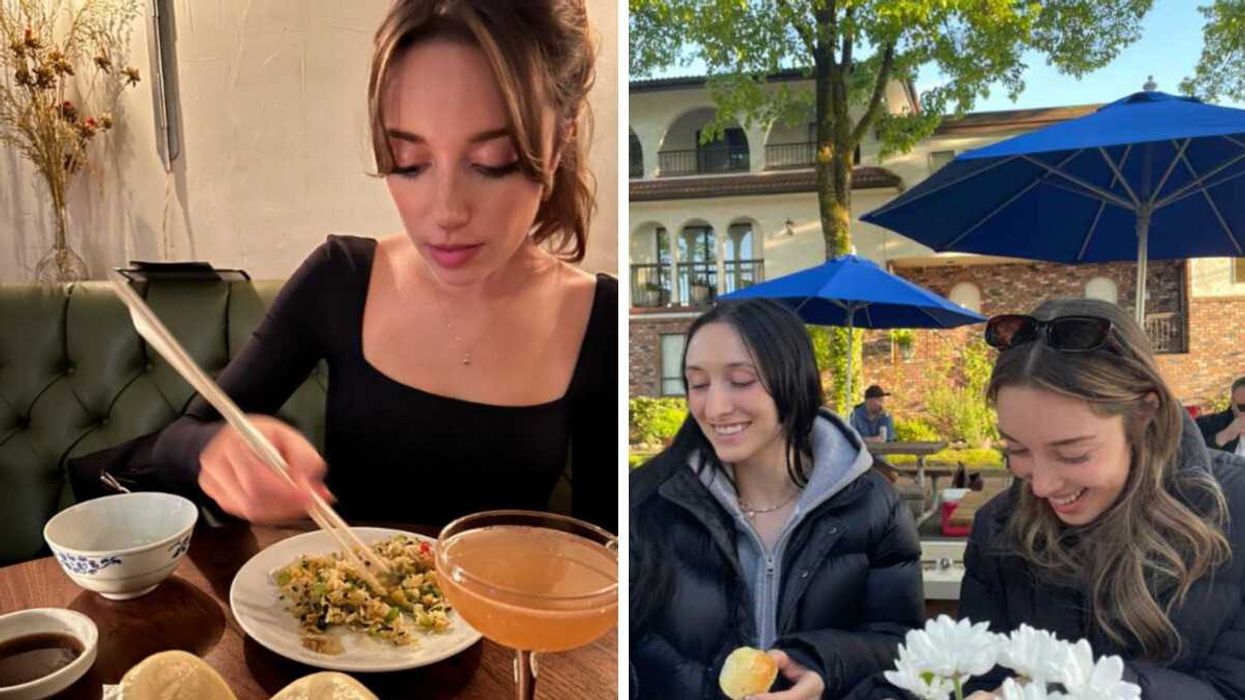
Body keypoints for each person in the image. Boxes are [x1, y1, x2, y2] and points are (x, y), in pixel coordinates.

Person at [147, 0, 616, 532]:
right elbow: (173, 441)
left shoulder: (598, 319)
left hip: (509, 613)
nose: (446, 213)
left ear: (562, 139)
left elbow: (605, 550)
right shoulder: (342, 277)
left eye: (492, 163)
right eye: (409, 163)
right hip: (346, 614)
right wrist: (217, 449)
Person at [630, 299, 923, 699]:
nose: (715, 407)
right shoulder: (646, 502)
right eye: (698, 384)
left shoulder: (874, 506)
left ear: (793, 380)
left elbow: (903, 646)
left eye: (742, 380)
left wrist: (823, 668)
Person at [952, 299, 1243, 697]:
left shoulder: (1237, 509)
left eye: (1072, 454)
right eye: (1016, 449)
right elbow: (978, 670)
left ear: (1144, 414)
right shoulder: (998, 527)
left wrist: (1087, 688)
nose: (1041, 486)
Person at [1196, 376, 1245, 456]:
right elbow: (1192, 459)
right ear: (1233, 404)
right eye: (1243, 407)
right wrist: (1225, 436)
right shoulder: (1209, 425)